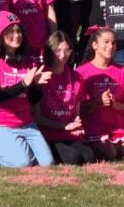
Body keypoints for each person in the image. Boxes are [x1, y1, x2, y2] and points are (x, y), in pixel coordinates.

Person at [0, 11, 54, 168]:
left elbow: (33, 100)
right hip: (0, 124)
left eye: (19, 31)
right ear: (0, 35)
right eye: (10, 31)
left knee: (47, 163)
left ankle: (15, 148)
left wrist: (35, 86)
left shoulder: (28, 63)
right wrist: (24, 84)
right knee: (22, 163)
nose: (16, 35)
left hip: (26, 124)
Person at [33, 31, 96, 164]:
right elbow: (36, 118)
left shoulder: (76, 78)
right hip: (49, 133)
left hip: (69, 133)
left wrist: (77, 123)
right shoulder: (41, 76)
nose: (62, 56)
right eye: (58, 50)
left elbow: (76, 114)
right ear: (50, 51)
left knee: (89, 156)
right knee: (73, 158)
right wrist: (63, 125)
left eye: (67, 50)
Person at [76, 27, 124, 160]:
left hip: (119, 129)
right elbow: (78, 111)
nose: (111, 46)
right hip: (94, 130)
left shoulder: (123, 71)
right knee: (109, 154)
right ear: (95, 45)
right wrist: (98, 103)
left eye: (114, 43)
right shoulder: (82, 72)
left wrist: (116, 105)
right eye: (106, 42)